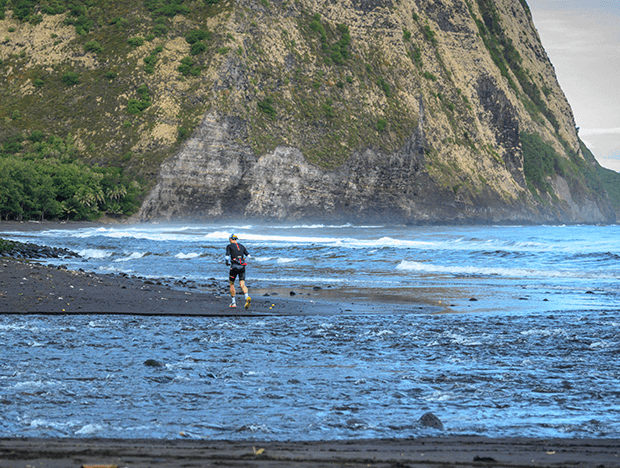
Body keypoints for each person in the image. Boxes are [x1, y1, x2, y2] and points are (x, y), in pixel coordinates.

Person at [225, 234, 251, 309]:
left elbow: (227, 256)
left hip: (234, 267)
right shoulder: (242, 246)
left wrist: (227, 263)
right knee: (242, 284)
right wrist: (244, 261)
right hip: (242, 267)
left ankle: (233, 302)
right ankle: (246, 296)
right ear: (236, 239)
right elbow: (249, 256)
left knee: (231, 284)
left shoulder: (229, 246)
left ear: (230, 239)